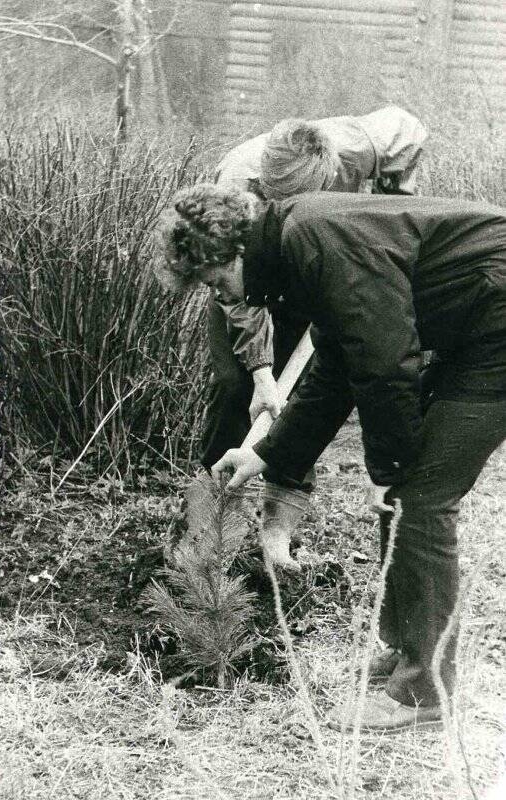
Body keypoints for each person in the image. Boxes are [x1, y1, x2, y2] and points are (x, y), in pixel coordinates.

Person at [158, 183, 506, 731]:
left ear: (239, 252)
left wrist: (387, 471)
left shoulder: (318, 241)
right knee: (404, 489)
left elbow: (386, 363)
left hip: (496, 325)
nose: (225, 297)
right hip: (480, 320)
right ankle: (407, 649)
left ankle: (424, 693)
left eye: (219, 281)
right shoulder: (296, 246)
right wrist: (267, 456)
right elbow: (336, 369)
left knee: (419, 496)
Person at [204, 107, 427, 567]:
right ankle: (211, 518)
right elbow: (236, 295)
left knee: (306, 395)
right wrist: (261, 371)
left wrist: (391, 194)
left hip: (321, 267)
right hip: (243, 284)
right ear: (267, 192)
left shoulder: (356, 146)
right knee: (235, 387)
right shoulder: (235, 185)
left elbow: (405, 128)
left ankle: (277, 527)